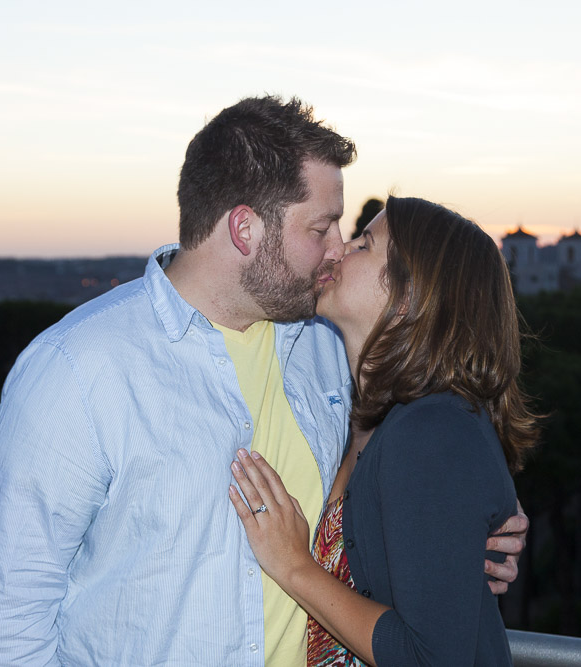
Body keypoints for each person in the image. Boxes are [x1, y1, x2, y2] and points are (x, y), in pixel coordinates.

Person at [0, 98, 527, 666]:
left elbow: (394, 482)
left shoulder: (328, 346)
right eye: (322, 227)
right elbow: (14, 620)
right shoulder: (77, 371)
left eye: (350, 233)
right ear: (244, 229)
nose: (337, 247)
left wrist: (465, 540)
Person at [229, 196, 540, 666]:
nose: (338, 249)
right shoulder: (362, 418)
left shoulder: (431, 435)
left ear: (409, 295)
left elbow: (431, 657)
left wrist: (293, 566)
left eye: (364, 245)